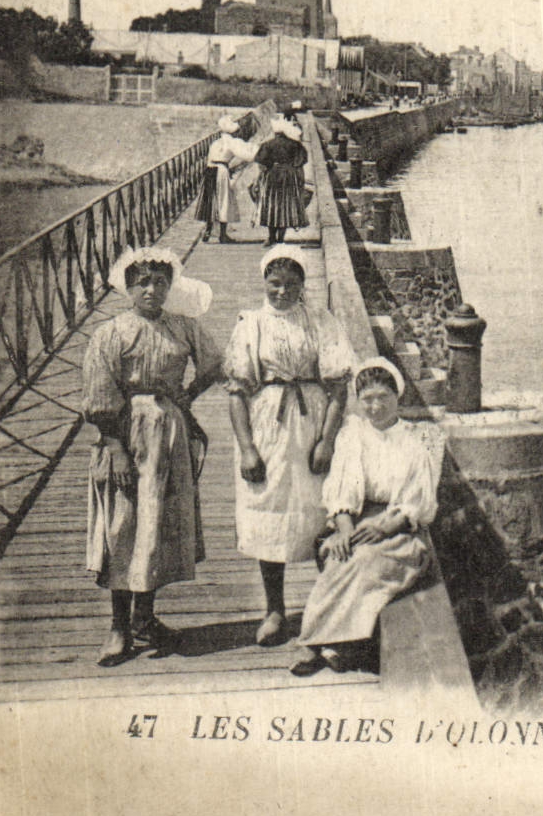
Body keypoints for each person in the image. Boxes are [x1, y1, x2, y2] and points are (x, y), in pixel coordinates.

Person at [81, 247, 221, 666]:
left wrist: (188, 395)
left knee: (156, 523)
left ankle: (146, 617)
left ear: (169, 287)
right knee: (123, 525)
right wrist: (116, 448)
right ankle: (119, 627)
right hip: (126, 433)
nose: (151, 289)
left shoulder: (182, 326)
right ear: (128, 287)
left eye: (159, 282)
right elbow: (99, 394)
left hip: (170, 433)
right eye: (142, 282)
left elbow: (215, 363)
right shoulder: (111, 333)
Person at [223, 246, 354, 645]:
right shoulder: (251, 323)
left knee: (320, 513)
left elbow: (339, 387)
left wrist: (327, 441)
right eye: (274, 284)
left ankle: (328, 609)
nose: (282, 292)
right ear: (264, 283)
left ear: (302, 286)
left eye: (291, 285)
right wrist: (247, 448)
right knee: (269, 514)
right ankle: (275, 610)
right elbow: (235, 393)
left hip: (311, 422)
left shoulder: (320, 320)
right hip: (267, 425)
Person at [291, 358, 437, 676]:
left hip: (401, 526)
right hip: (357, 519)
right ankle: (335, 645)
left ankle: (320, 644)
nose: (375, 407)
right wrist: (344, 528)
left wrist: (386, 525)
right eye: (367, 399)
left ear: (397, 396)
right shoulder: (352, 435)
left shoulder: (419, 438)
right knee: (338, 553)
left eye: (383, 397)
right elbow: (341, 490)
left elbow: (420, 501)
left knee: (368, 559)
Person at [195, 114, 256, 243]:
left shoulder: (215, 142)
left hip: (210, 169)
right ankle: (223, 235)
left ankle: (207, 231)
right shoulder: (232, 142)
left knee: (211, 200)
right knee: (223, 201)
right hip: (221, 171)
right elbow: (247, 156)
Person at [252, 117, 310, 246]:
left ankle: (271, 237)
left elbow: (261, 161)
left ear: (275, 132)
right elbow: (302, 160)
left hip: (273, 174)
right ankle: (281, 238)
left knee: (272, 204)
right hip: (289, 175)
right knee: (286, 204)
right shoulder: (295, 144)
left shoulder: (268, 144)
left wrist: (264, 172)